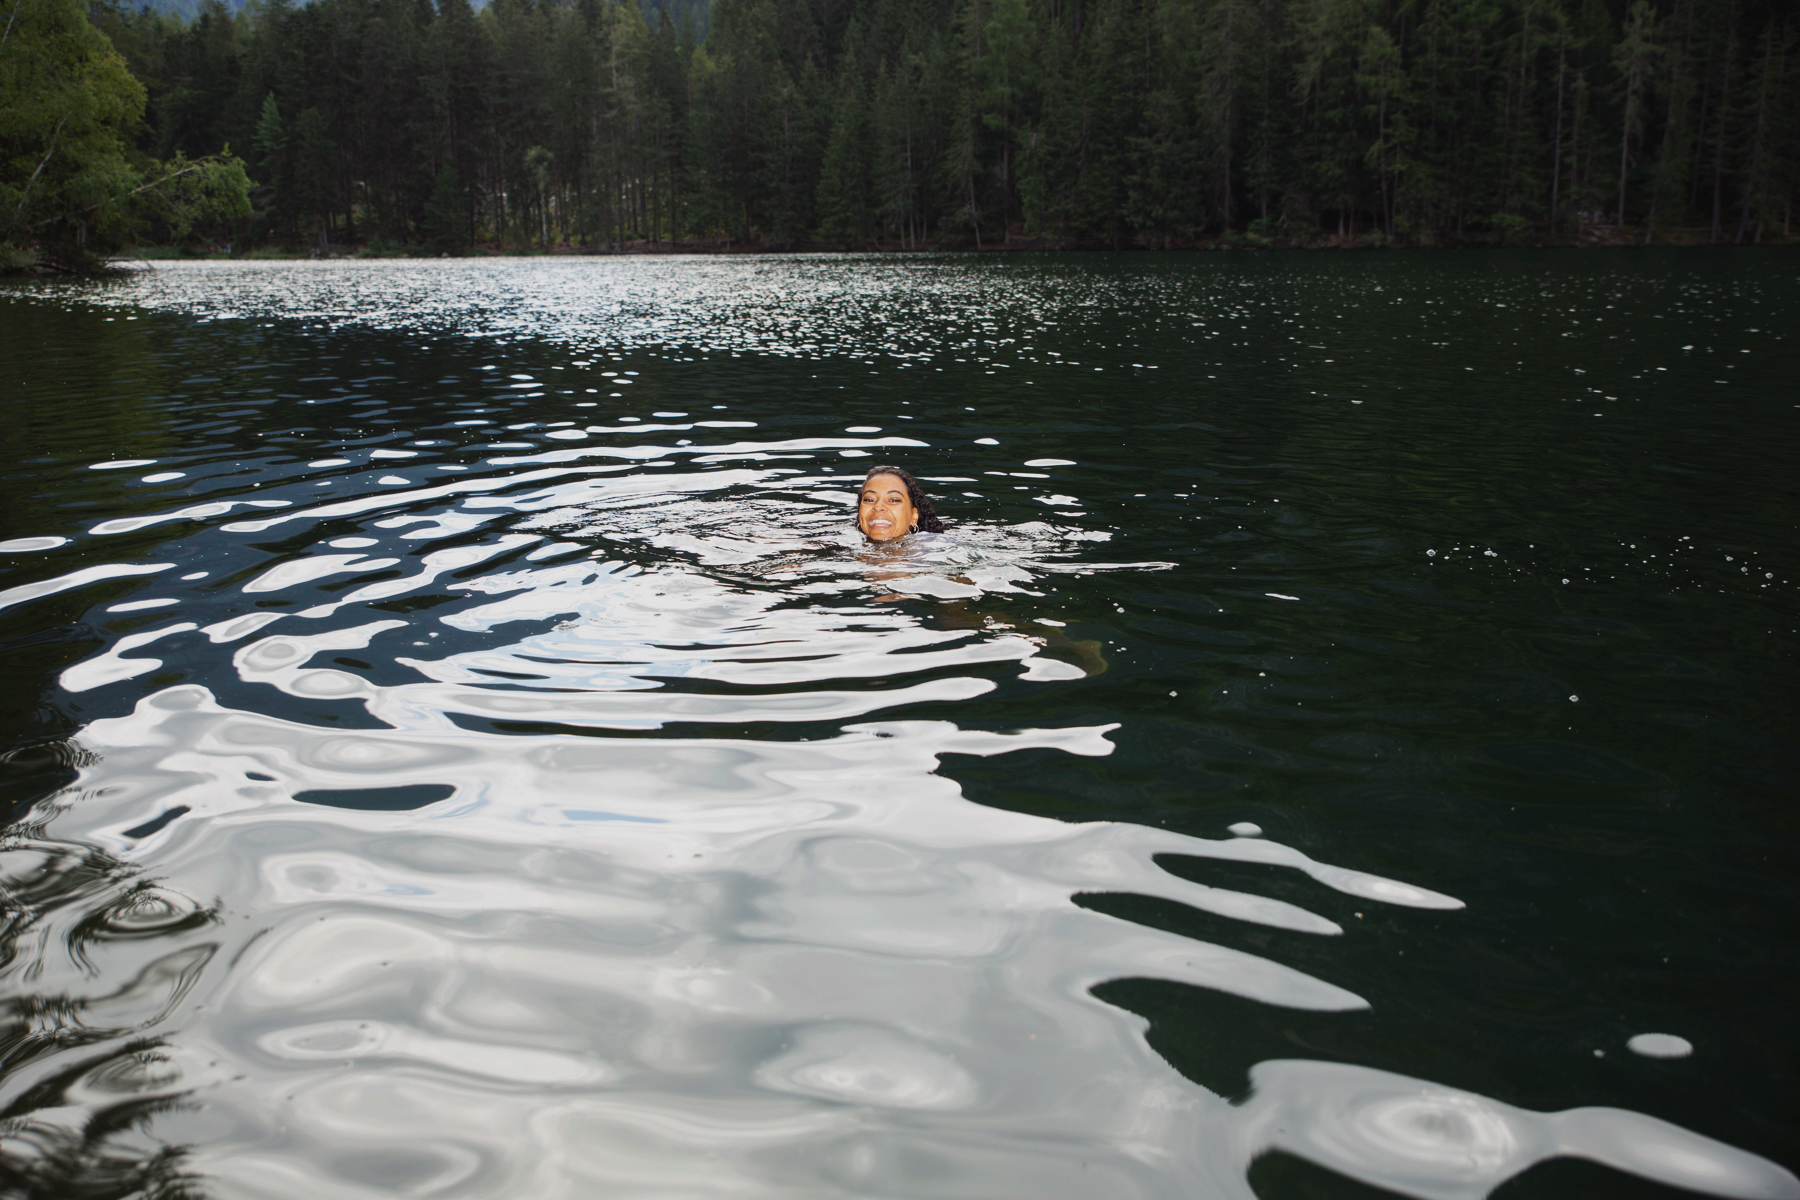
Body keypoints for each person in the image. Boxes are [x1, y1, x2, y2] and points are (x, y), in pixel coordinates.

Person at [855, 465, 946, 543]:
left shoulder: (937, 549)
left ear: (914, 516)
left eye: (893, 500)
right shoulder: (848, 545)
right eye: (869, 500)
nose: (878, 507)